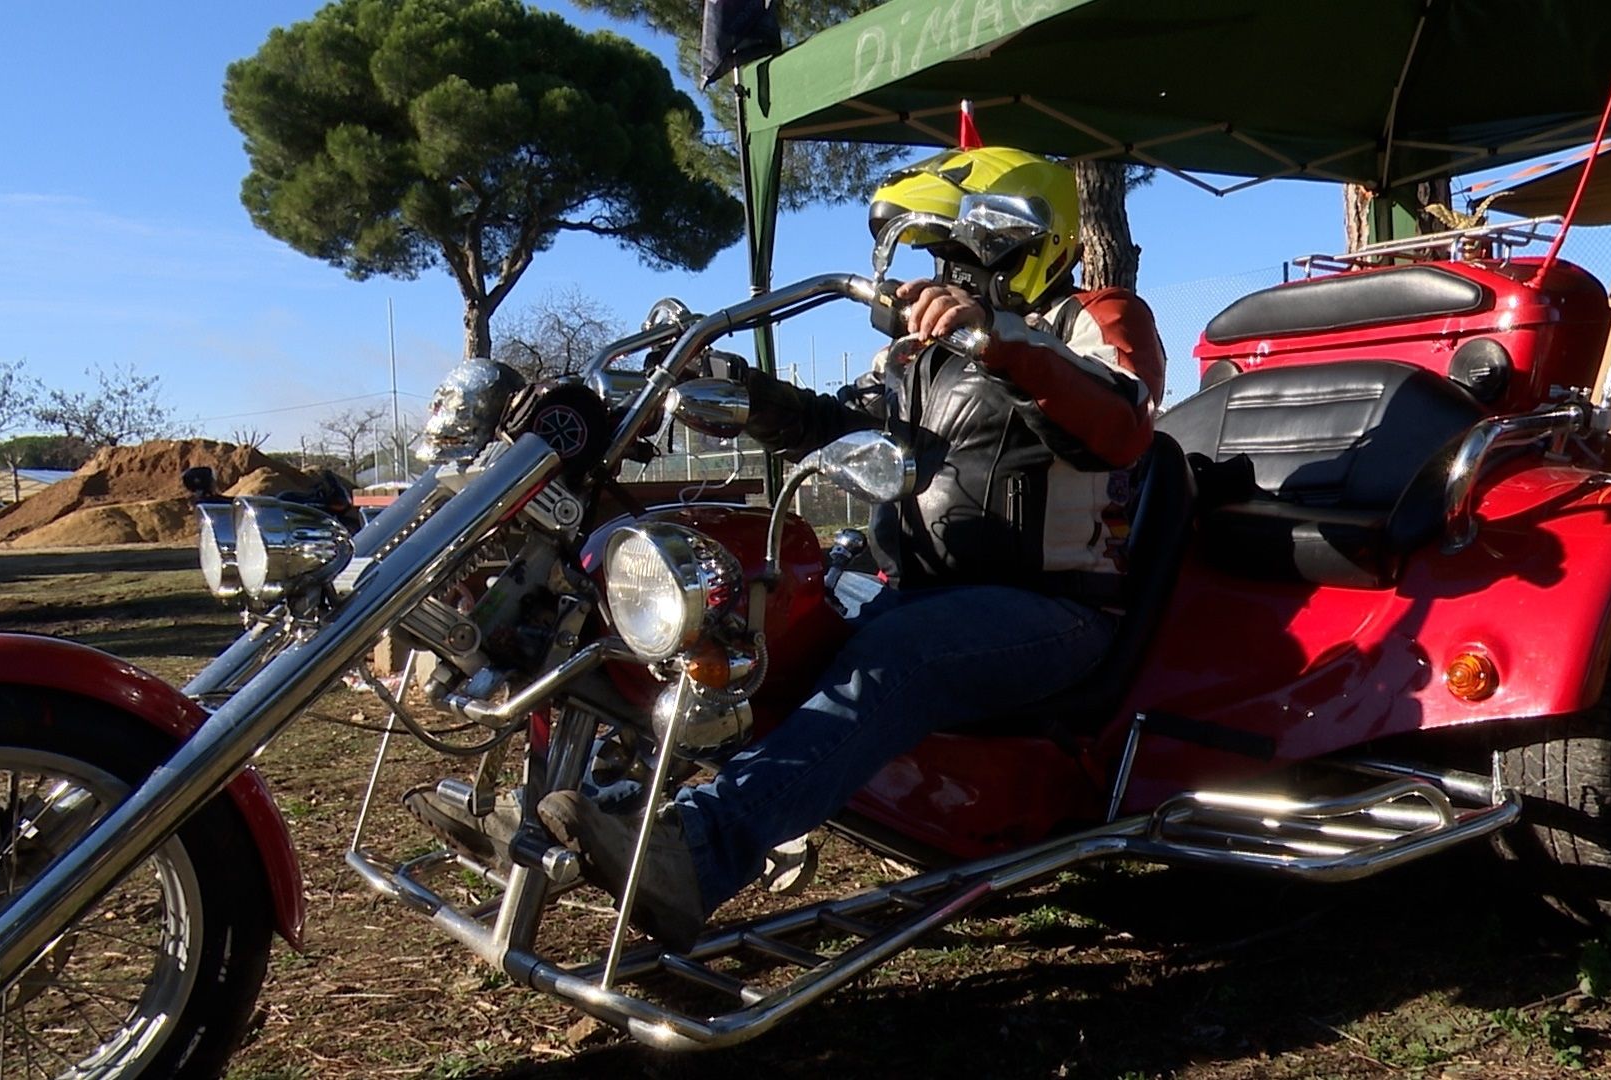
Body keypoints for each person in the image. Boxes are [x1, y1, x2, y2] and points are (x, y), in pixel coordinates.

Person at [432, 146, 1167, 948]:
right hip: (915, 587)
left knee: (899, 655)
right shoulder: (918, 356)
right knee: (735, 617)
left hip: (1058, 610)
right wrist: (749, 399)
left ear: (1035, 248)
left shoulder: (1094, 319)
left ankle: (701, 851)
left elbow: (1124, 425)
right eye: (936, 255)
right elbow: (841, 425)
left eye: (965, 255)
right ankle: (591, 797)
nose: (942, 275)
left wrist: (1000, 342)